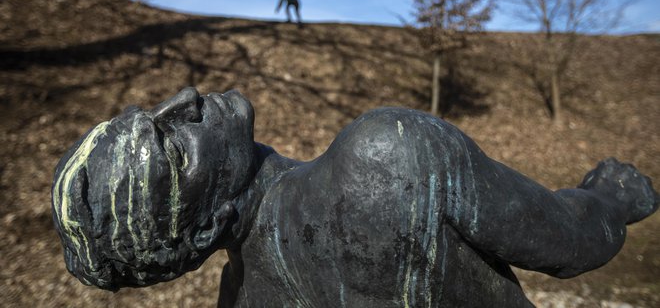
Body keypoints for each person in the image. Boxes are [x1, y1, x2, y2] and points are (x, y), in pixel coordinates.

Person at [52, 87, 658, 307]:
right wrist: (610, 197)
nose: (182, 99)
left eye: (155, 113)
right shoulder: (386, 152)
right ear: (205, 229)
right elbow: (567, 241)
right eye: (175, 149)